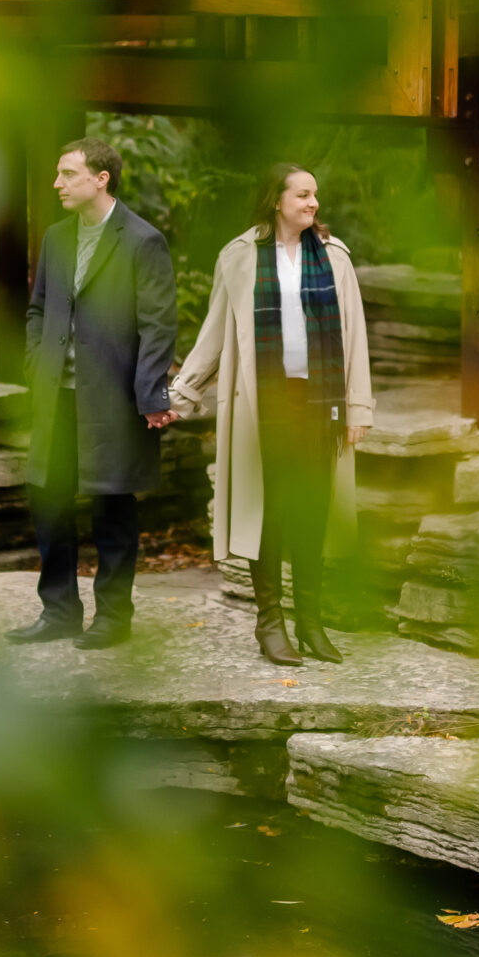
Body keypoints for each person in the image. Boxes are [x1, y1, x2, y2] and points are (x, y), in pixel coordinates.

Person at [168, 164, 373, 666]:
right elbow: (214, 333)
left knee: (312, 513)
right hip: (266, 406)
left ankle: (311, 623)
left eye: (315, 196)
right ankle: (270, 624)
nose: (313, 204)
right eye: (303, 195)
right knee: (270, 512)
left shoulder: (334, 257)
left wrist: (359, 407)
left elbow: (355, 339)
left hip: (320, 404)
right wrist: (181, 394)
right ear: (276, 200)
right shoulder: (239, 258)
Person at [8, 136, 179, 649]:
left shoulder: (143, 241)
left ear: (101, 179)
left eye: (68, 174)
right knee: (50, 502)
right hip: (55, 397)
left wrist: (151, 395)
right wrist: (37, 363)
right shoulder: (57, 238)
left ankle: (112, 620)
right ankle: (58, 611)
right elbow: (38, 310)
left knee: (112, 509)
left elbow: (158, 327)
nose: (57, 183)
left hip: (113, 400)